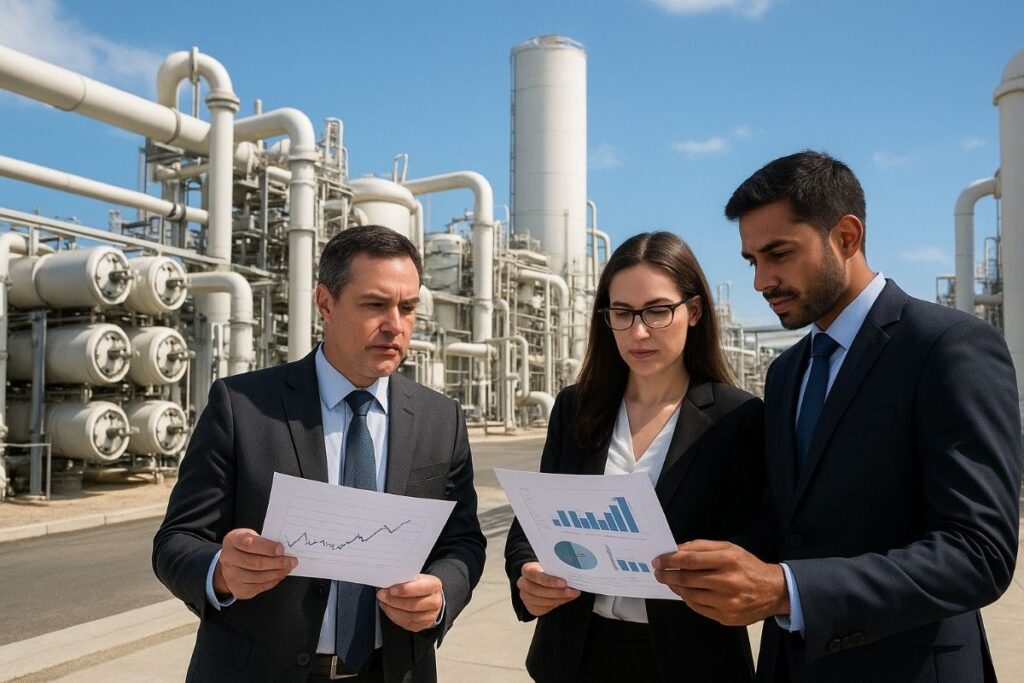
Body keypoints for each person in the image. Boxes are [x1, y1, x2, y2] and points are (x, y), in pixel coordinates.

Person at [653, 151, 1022, 682]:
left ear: (846, 236)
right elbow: (789, 523)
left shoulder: (948, 347)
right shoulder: (786, 373)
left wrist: (789, 590)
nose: (761, 281)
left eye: (779, 253)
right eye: (752, 261)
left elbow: (978, 553)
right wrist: (697, 559)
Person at [153, 224, 486, 683]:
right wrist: (221, 572)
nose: (395, 325)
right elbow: (176, 540)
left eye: (408, 307)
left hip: (392, 670)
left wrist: (441, 591)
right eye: (375, 304)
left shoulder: (440, 418)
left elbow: (463, 541)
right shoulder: (242, 406)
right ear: (325, 303)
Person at [504, 231, 766, 682]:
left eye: (658, 311)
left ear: (695, 311)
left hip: (691, 658)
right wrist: (527, 572)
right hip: (577, 654)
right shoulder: (576, 407)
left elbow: (757, 543)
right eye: (622, 313)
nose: (638, 332)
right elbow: (533, 520)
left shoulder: (736, 417)